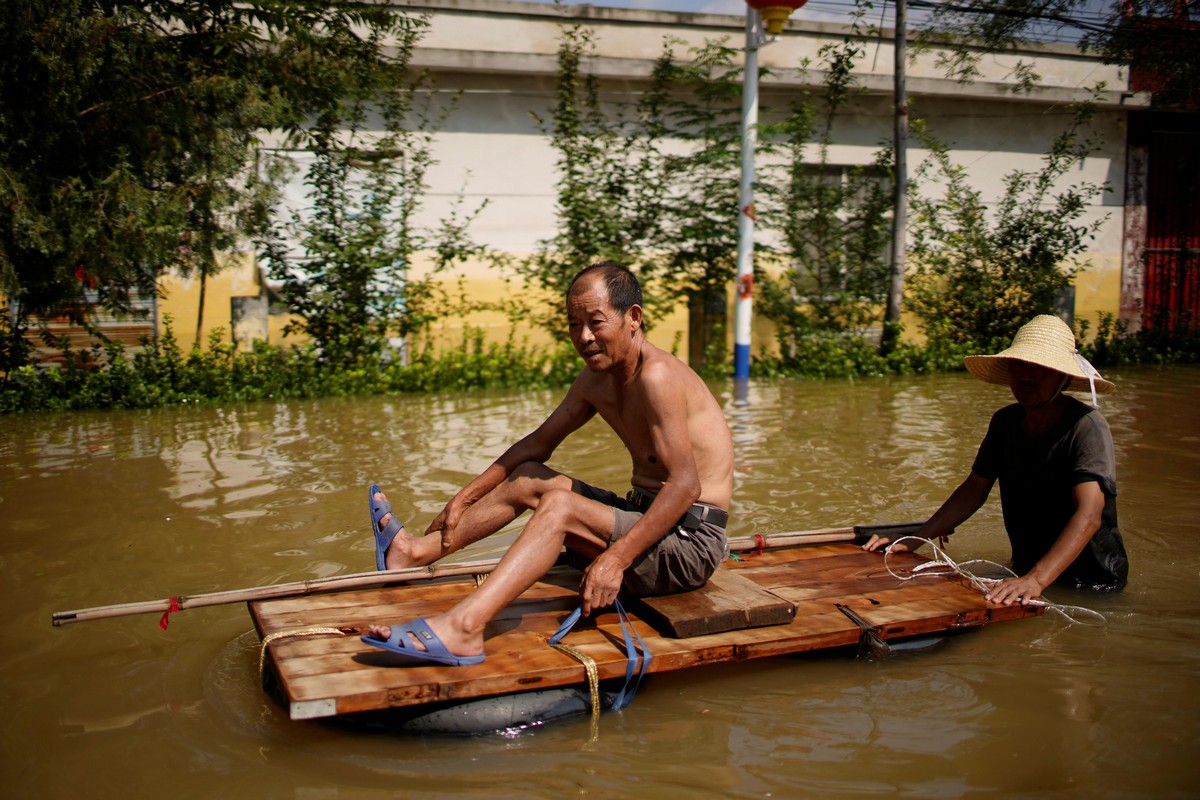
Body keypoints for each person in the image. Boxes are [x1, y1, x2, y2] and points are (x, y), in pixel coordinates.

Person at [362, 262, 734, 665]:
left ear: (634, 318)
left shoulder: (657, 376)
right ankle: (413, 554)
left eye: (596, 322)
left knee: (559, 506)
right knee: (528, 480)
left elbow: (684, 486)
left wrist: (613, 560)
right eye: (574, 324)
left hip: (689, 545)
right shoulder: (597, 379)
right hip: (644, 516)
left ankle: (464, 629)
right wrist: (463, 498)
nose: (584, 337)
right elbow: (537, 444)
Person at [864, 314, 1128, 605]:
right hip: (1028, 569)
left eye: (1041, 368)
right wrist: (916, 539)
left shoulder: (1086, 426)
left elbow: (1089, 515)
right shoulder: (1005, 422)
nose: (1027, 376)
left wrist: (1037, 579)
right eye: (1019, 365)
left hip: (1092, 580)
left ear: (1064, 376)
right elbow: (973, 490)